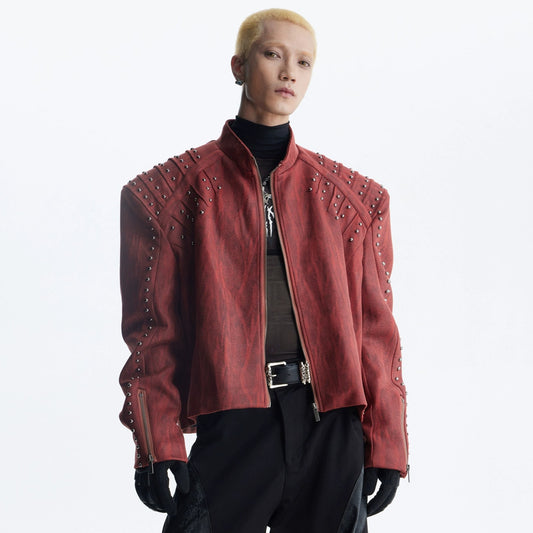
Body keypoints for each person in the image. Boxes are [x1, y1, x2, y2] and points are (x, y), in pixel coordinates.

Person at [119, 8, 408, 533]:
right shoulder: (165, 196)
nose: (289, 72)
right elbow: (152, 333)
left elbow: (376, 334)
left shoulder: (357, 202)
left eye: (304, 62)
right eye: (273, 54)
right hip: (232, 421)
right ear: (239, 66)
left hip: (331, 425)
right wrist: (156, 440)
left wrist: (386, 439)